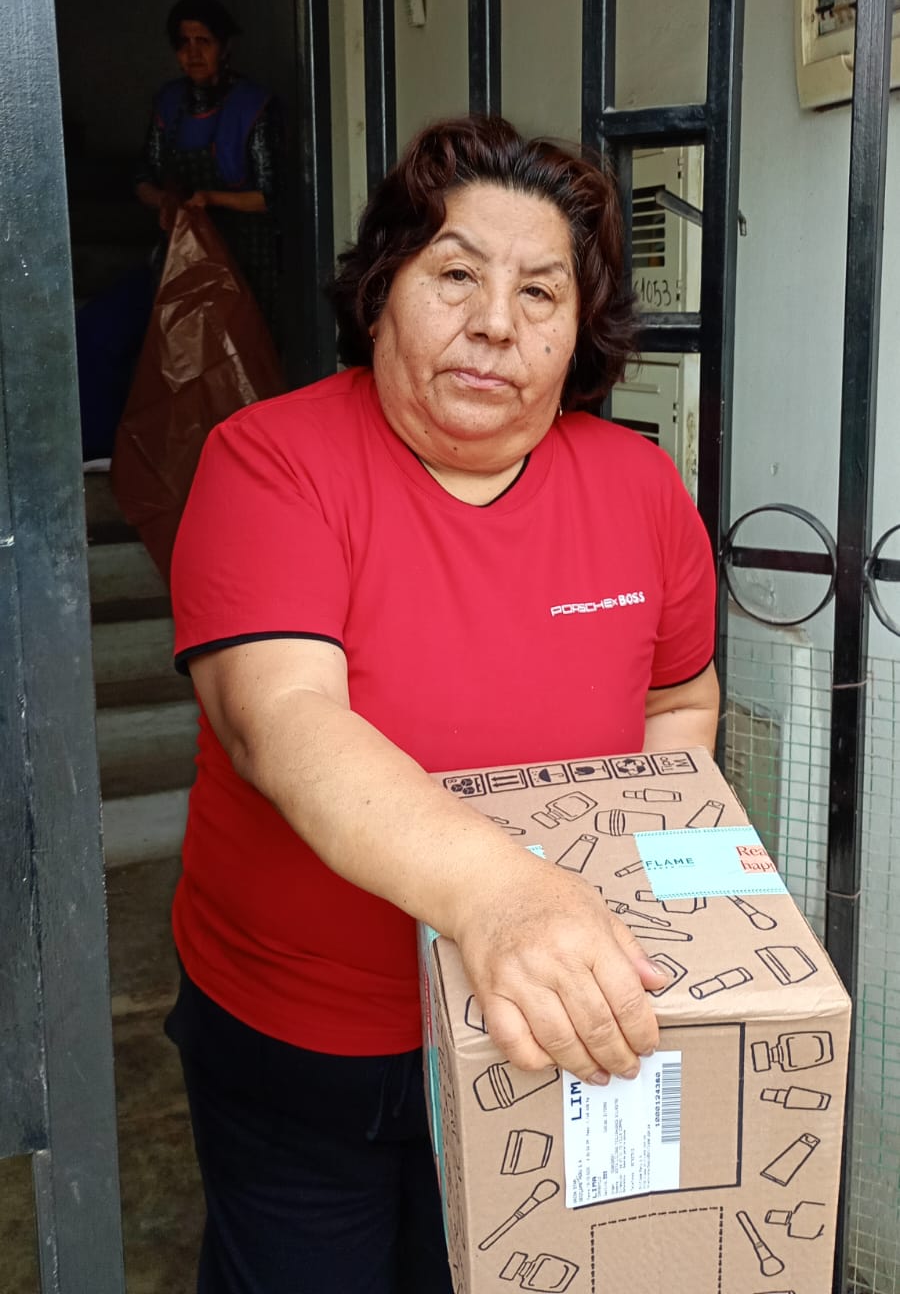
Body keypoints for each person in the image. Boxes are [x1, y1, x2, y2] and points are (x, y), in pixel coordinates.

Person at [166, 115, 719, 1294]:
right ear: (381, 296)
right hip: (310, 1044)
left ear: (579, 334)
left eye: (541, 291)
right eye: (456, 274)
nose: (496, 323)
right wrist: (505, 896)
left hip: (540, 1033)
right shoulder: (272, 461)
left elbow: (678, 697)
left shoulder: (637, 485)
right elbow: (283, 721)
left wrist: (633, 901)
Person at [135, 0, 283, 338]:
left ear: (225, 46)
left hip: (246, 256)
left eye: (204, 41)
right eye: (183, 43)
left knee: (245, 347)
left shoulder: (252, 105)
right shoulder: (168, 102)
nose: (193, 53)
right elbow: (143, 177)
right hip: (184, 255)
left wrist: (211, 199)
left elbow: (270, 196)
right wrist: (164, 201)